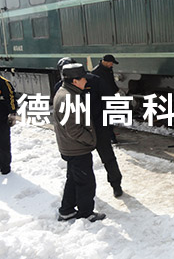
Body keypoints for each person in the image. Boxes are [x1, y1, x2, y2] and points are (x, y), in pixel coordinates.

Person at [55, 57, 124, 198]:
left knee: (107, 158)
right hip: (79, 132)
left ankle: (116, 184)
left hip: (97, 128)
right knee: (78, 165)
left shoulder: (93, 80)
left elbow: (109, 100)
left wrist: (106, 124)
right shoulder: (61, 88)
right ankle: (80, 191)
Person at [53, 63, 105, 222]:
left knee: (74, 179)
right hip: (77, 148)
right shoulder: (69, 98)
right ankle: (86, 213)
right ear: (75, 81)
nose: (86, 81)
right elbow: (74, 129)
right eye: (83, 78)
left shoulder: (65, 92)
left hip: (70, 147)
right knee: (85, 183)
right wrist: (91, 141)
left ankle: (66, 210)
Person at [0, 58, 17, 175]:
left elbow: (11, 99)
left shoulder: (2, 83)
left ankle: (5, 168)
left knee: (3, 146)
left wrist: (12, 114)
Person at [92, 55, 120, 143]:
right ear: (105, 62)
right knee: (105, 119)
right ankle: (110, 137)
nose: (112, 65)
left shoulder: (108, 70)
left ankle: (111, 136)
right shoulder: (96, 72)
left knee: (109, 118)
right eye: (111, 63)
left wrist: (115, 89)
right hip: (102, 99)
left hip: (109, 97)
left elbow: (111, 82)